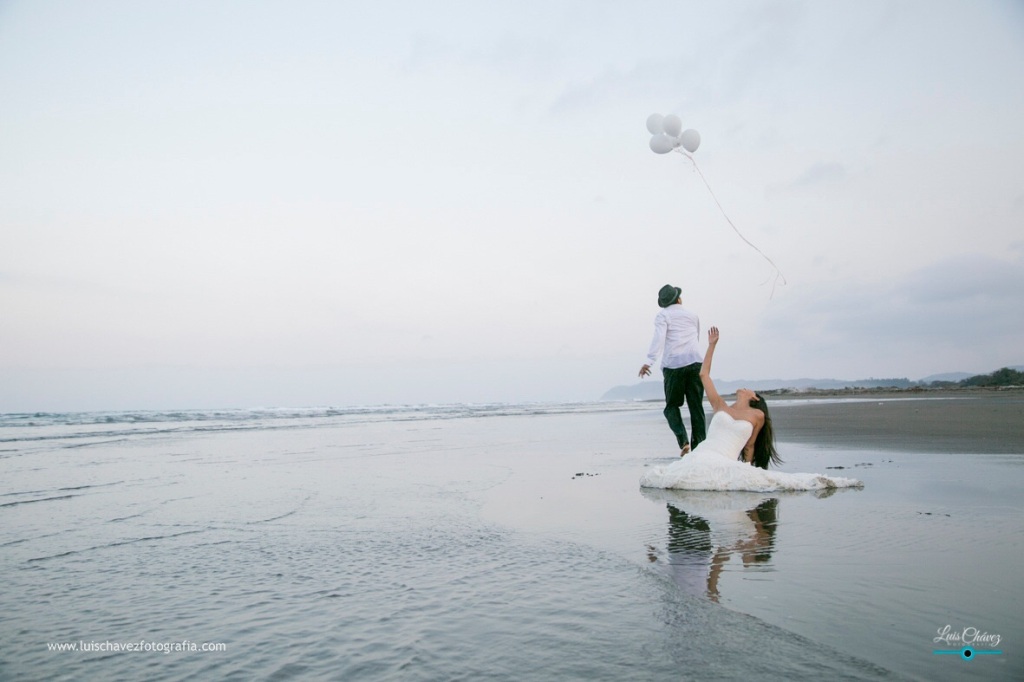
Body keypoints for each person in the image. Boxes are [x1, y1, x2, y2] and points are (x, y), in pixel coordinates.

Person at [639, 327, 864, 491]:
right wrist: (711, 345)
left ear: (754, 397)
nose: (743, 387)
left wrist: (746, 470)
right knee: (670, 480)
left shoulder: (757, 415)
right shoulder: (721, 407)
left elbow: (750, 446)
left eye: (748, 388)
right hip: (700, 455)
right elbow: (703, 374)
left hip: (724, 460)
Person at [639, 284, 706, 457]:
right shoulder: (693, 315)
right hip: (695, 362)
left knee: (671, 407)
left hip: (674, 365)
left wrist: (649, 361)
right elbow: (696, 337)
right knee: (696, 408)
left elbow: (659, 338)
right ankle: (700, 449)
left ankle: (683, 441)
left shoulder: (663, 315)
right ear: (679, 299)